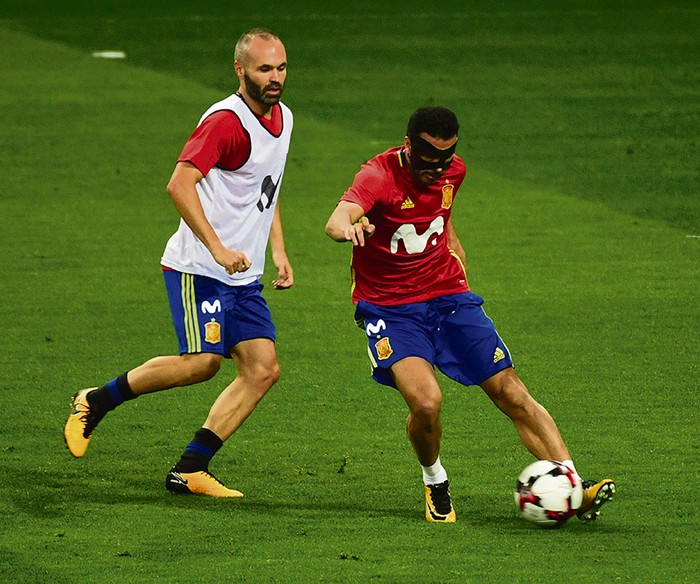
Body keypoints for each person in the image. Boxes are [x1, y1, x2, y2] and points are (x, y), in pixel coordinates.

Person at [325, 106, 615, 523]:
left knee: (511, 390)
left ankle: (572, 486)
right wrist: (349, 229)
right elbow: (337, 219)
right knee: (426, 403)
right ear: (408, 147)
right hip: (391, 308)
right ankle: (435, 480)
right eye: (429, 161)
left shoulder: (453, 172)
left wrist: (457, 255)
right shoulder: (379, 177)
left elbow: (441, 216)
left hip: (448, 296)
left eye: (445, 159)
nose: (437, 169)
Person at [64, 28, 294, 498]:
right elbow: (179, 184)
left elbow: (264, 190)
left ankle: (191, 468)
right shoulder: (226, 122)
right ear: (240, 69)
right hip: (199, 268)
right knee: (202, 362)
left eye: (281, 68)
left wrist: (279, 250)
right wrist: (217, 249)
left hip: (242, 275)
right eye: (264, 69)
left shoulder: (284, 118)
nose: (275, 79)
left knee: (262, 369)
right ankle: (95, 401)